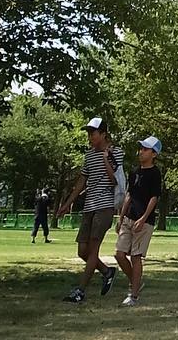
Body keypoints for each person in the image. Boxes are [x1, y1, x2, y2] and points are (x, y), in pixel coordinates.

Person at [57, 117, 124, 303]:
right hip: (89, 205)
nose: (90, 137)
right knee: (82, 250)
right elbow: (81, 182)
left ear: (103, 134)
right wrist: (67, 203)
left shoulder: (115, 152)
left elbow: (114, 180)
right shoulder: (88, 155)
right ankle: (107, 271)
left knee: (94, 248)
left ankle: (80, 290)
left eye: (93, 133)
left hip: (105, 206)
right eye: (88, 133)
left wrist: (106, 159)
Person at [115, 136, 162, 306]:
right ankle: (136, 281)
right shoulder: (134, 172)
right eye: (141, 148)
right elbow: (129, 195)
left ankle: (133, 295)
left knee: (136, 257)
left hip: (144, 221)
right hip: (128, 218)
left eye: (145, 149)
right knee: (119, 254)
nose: (141, 152)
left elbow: (154, 198)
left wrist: (143, 218)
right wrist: (120, 218)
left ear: (154, 154)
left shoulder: (155, 174)